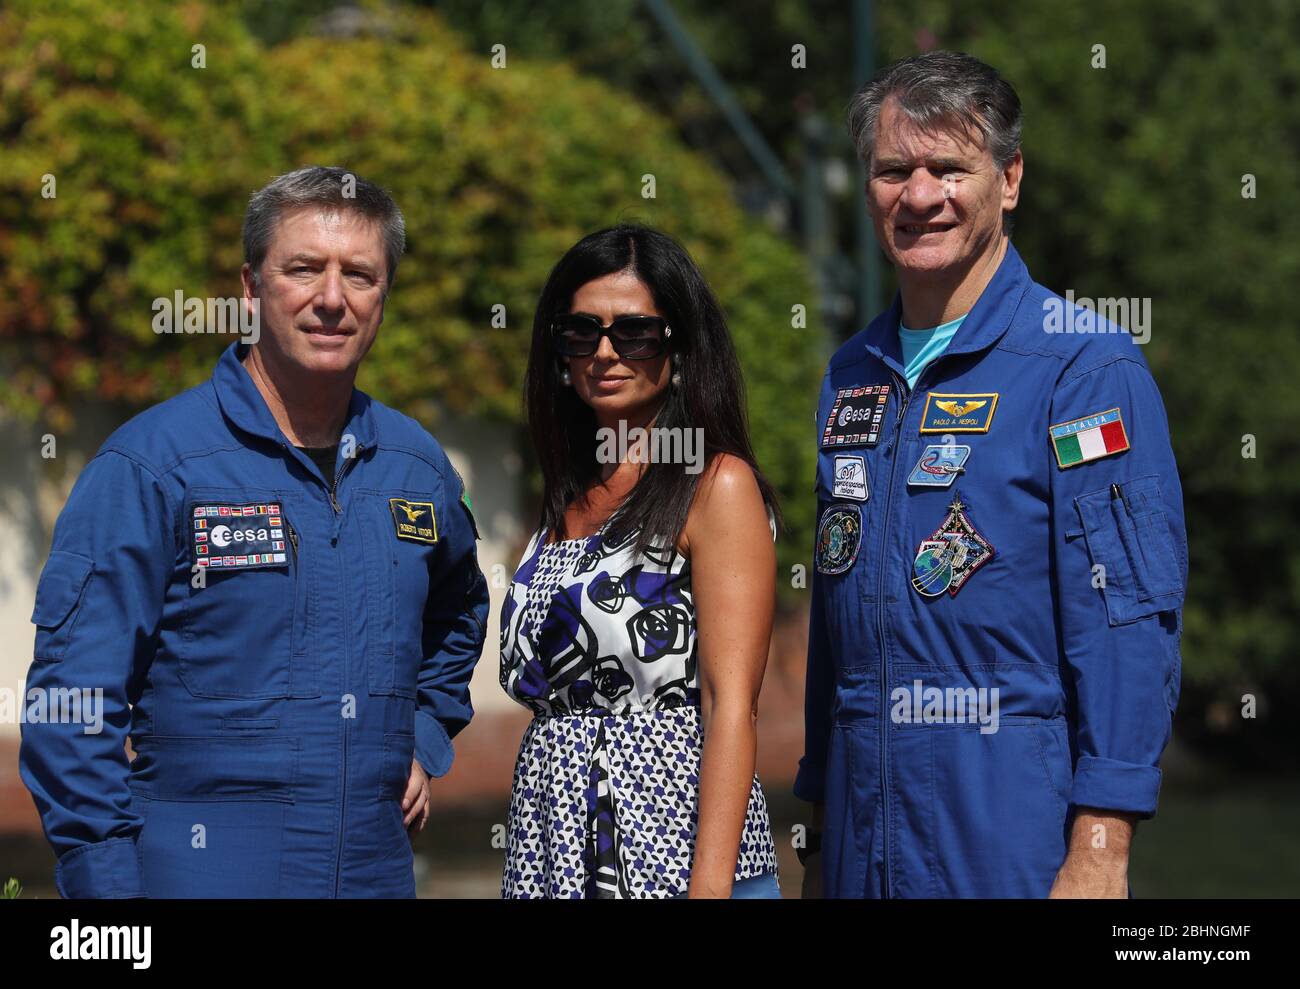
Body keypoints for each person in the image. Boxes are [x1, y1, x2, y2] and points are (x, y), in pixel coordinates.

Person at [20, 165, 489, 898]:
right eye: (303, 268)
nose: (331, 298)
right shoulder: (153, 466)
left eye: (359, 275)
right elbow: (70, 702)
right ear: (250, 287)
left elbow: (461, 610)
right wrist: (108, 895)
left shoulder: (414, 468)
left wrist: (423, 735)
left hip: (373, 874)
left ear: (383, 299)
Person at [797, 52, 1187, 898]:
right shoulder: (849, 374)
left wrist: (1101, 845)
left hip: (1011, 833)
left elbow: (1125, 619)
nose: (921, 194)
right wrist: (818, 821)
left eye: (950, 168)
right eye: (894, 169)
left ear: (1008, 179)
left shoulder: (1083, 368)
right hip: (859, 836)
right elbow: (837, 627)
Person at [499, 224, 781, 898]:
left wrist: (707, 887)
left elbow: (730, 706)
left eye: (634, 333)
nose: (604, 352)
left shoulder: (716, 485)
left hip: (675, 854)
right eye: (580, 332)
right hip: (551, 853)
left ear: (679, 346)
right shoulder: (564, 496)